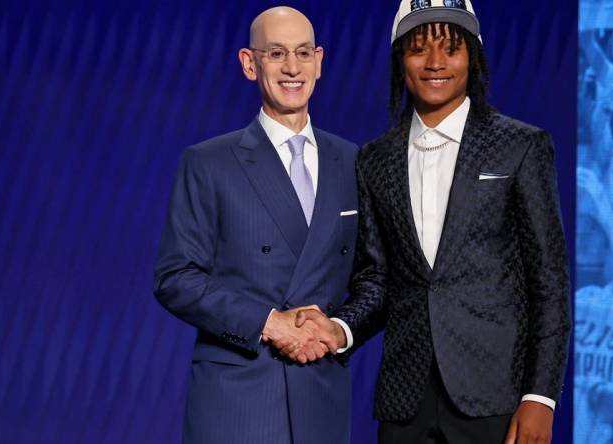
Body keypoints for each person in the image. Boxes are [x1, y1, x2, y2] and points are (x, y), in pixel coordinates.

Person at [284, 2, 571, 443]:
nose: (435, 63)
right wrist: (338, 328)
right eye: (419, 49)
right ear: (400, 59)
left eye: (451, 49)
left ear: (472, 57)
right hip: (406, 401)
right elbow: (377, 281)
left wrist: (541, 397)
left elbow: (549, 283)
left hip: (495, 398)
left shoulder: (520, 146)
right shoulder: (375, 160)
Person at [152, 6, 357, 444]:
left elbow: (375, 278)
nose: (292, 67)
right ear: (250, 63)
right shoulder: (208, 163)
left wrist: (338, 330)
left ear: (320, 61)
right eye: (276, 53)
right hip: (239, 399)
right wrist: (269, 322)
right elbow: (175, 277)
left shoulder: (354, 163)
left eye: (303, 53)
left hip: (321, 393)